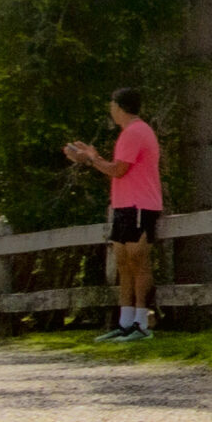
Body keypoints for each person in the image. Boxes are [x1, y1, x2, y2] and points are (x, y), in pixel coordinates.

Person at [63, 87, 162, 342]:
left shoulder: (135, 132)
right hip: (124, 204)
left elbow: (118, 170)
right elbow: (118, 169)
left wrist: (89, 159)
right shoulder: (130, 133)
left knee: (138, 261)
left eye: (112, 105)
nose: (111, 110)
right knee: (124, 263)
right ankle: (125, 322)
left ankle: (141, 323)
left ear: (119, 107)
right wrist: (93, 157)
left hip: (139, 205)